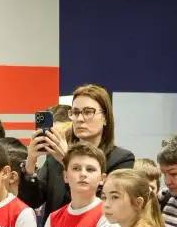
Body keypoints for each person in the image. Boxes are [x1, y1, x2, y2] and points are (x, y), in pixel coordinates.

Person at [29, 84, 136, 212]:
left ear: (105, 118)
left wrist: (67, 160)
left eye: (88, 112)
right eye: (75, 112)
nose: (80, 119)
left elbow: (107, 205)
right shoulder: (55, 155)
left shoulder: (121, 159)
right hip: (56, 224)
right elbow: (32, 201)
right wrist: (30, 163)